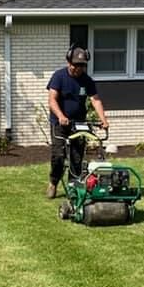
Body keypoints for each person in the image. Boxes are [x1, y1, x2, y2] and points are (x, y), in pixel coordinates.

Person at [46, 45, 110, 198]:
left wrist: (103, 120)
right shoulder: (59, 76)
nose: (78, 68)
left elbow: (95, 100)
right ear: (69, 62)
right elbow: (52, 100)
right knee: (58, 156)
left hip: (79, 123)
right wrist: (61, 116)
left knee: (76, 157)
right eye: (76, 65)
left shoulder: (86, 80)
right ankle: (53, 182)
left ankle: (73, 186)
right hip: (59, 123)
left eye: (82, 65)